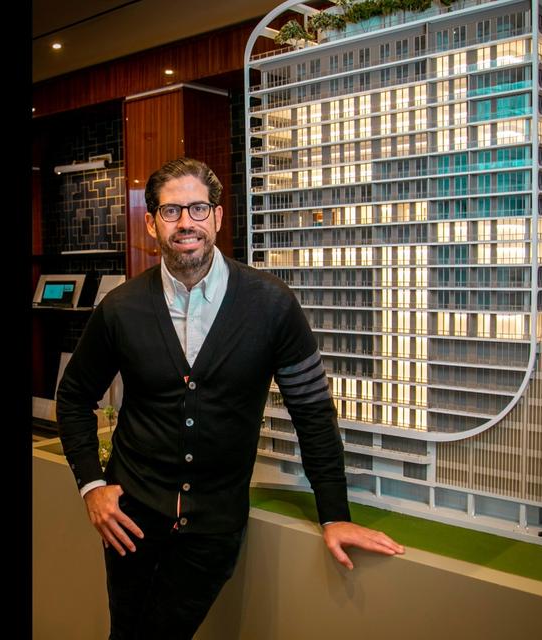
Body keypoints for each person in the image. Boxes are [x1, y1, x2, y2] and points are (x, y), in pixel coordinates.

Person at [57, 157, 404, 639]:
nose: (186, 223)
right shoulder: (120, 308)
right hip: (128, 520)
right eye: (171, 211)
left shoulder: (271, 304)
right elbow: (74, 396)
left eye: (198, 209)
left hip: (213, 527)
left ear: (218, 217)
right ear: (151, 223)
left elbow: (313, 413)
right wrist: (92, 486)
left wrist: (335, 515)